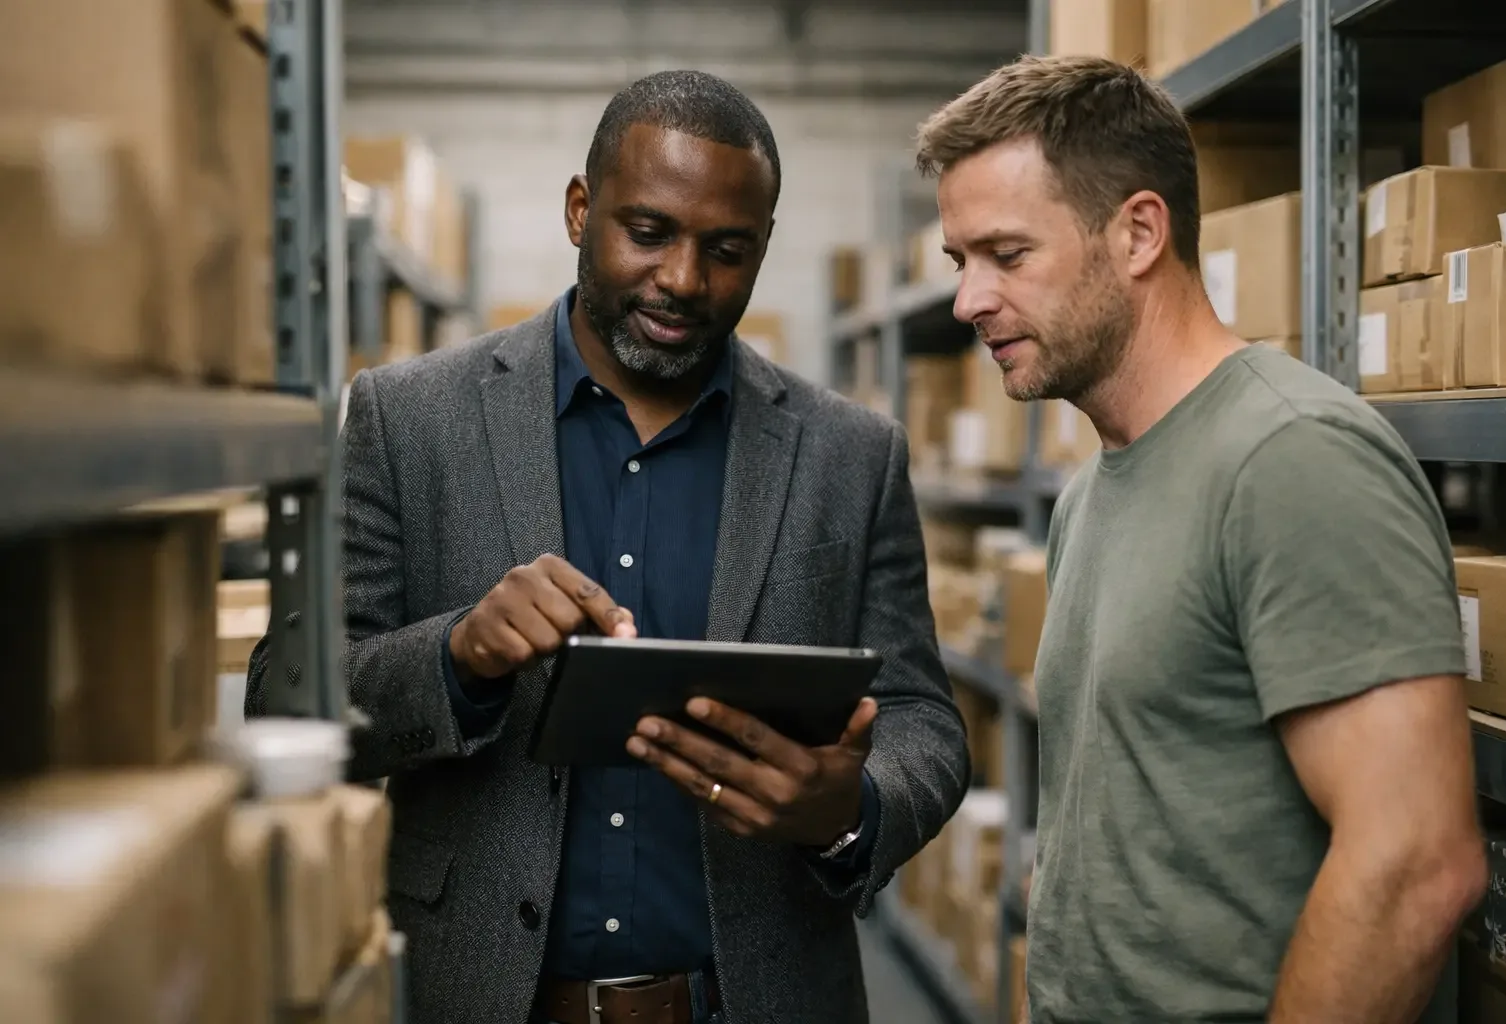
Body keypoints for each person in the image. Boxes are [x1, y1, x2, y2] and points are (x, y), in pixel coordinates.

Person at [246, 70, 966, 1024]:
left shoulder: (851, 456)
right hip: (485, 999)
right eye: (650, 232)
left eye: (726, 250)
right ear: (581, 211)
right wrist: (459, 654)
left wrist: (852, 808)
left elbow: (924, 718)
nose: (682, 280)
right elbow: (287, 697)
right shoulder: (408, 419)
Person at [915, 55, 1487, 1024]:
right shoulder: (1090, 493)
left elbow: (1416, 866)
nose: (969, 300)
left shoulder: (1292, 458)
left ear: (1139, 231)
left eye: (1006, 256)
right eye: (959, 262)